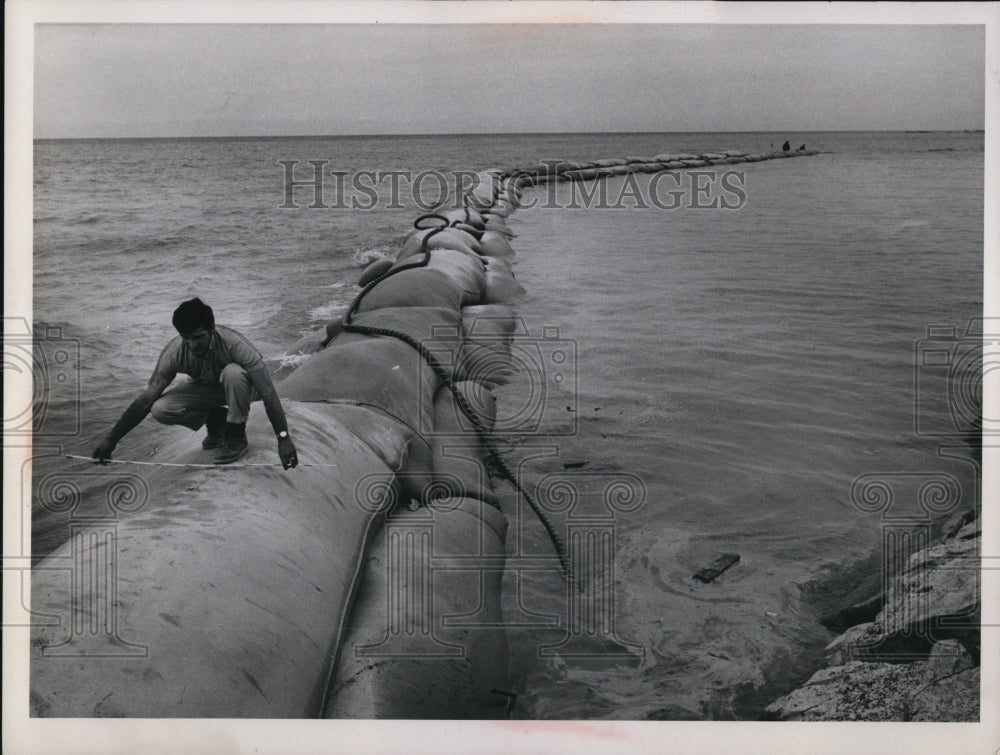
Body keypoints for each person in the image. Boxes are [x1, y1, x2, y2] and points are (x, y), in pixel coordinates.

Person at [92, 298, 298, 468]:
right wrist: (112, 440)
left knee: (233, 373)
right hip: (210, 390)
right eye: (186, 338)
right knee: (160, 408)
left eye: (198, 337)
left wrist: (283, 438)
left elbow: (269, 393)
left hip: (245, 388)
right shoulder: (175, 353)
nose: (192, 345)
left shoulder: (235, 344)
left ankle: (236, 435)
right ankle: (216, 419)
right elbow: (144, 401)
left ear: (211, 330)